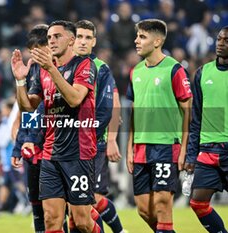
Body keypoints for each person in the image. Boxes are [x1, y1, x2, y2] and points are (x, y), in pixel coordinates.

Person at [11, 20, 101, 233]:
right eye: (49, 37)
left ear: (71, 40)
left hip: (79, 153)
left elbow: (74, 99)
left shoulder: (84, 65)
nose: (51, 40)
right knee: (51, 220)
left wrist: (51, 68)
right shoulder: (43, 71)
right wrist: (20, 81)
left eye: (57, 36)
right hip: (50, 154)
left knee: (82, 222)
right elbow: (27, 107)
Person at [126, 19, 192, 233]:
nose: (136, 41)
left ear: (157, 41)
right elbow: (135, 111)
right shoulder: (135, 71)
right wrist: (129, 147)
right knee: (144, 209)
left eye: (142, 37)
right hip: (140, 148)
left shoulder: (174, 69)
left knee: (163, 203)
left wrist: (184, 148)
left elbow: (187, 110)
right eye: (137, 36)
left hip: (165, 146)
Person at [74, 19, 124, 233]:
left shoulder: (101, 68)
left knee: (91, 198)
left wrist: (111, 139)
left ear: (94, 42)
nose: (83, 42)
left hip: (94, 143)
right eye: (79, 37)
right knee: (75, 203)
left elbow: (114, 105)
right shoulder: (62, 65)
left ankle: (119, 230)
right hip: (66, 144)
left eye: (87, 38)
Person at [185, 26, 228, 233]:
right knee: (198, 203)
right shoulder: (202, 73)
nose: (221, 43)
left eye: (226, 40)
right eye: (219, 38)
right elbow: (196, 119)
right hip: (208, 151)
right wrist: (191, 155)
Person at [11, 24, 48, 233]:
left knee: (63, 207)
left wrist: (31, 140)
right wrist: (19, 146)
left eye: (38, 48)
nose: (33, 53)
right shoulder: (33, 69)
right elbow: (29, 112)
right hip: (34, 149)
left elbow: (44, 110)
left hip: (56, 147)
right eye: (31, 49)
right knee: (36, 202)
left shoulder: (59, 69)